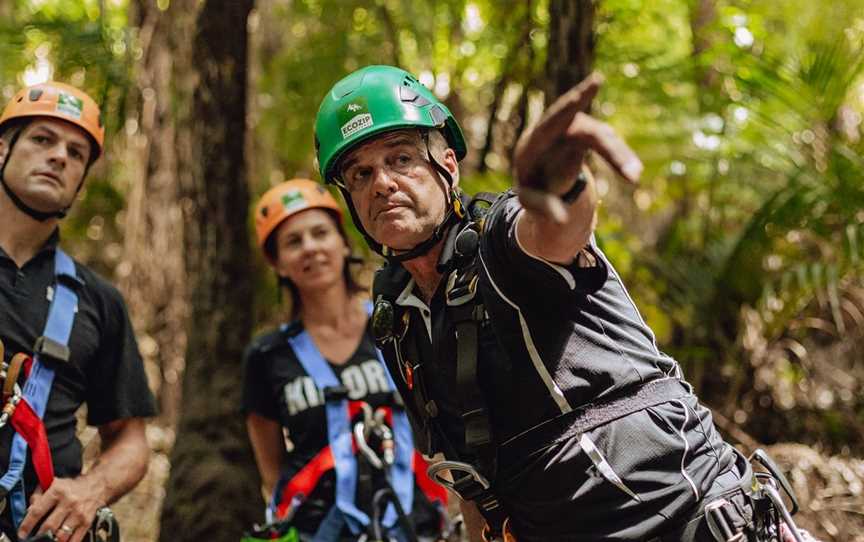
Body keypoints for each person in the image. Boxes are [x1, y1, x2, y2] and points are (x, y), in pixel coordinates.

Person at [312, 65, 817, 541]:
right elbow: (471, 480)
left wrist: (559, 185)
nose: (381, 183)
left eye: (400, 158)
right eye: (359, 174)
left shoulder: (500, 241)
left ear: (447, 165)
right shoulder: (396, 317)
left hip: (693, 520)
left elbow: (555, 230)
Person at [242, 179, 449, 541]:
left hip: (414, 526)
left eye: (320, 233)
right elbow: (271, 471)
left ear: (342, 241)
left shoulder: (399, 322)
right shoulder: (266, 356)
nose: (310, 248)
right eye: (293, 241)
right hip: (317, 530)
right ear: (277, 263)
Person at [0, 81, 156, 542]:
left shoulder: (97, 300)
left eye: (76, 152)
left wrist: (90, 490)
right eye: (42, 139)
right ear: (2, 149)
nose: (59, 157)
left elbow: (130, 439)